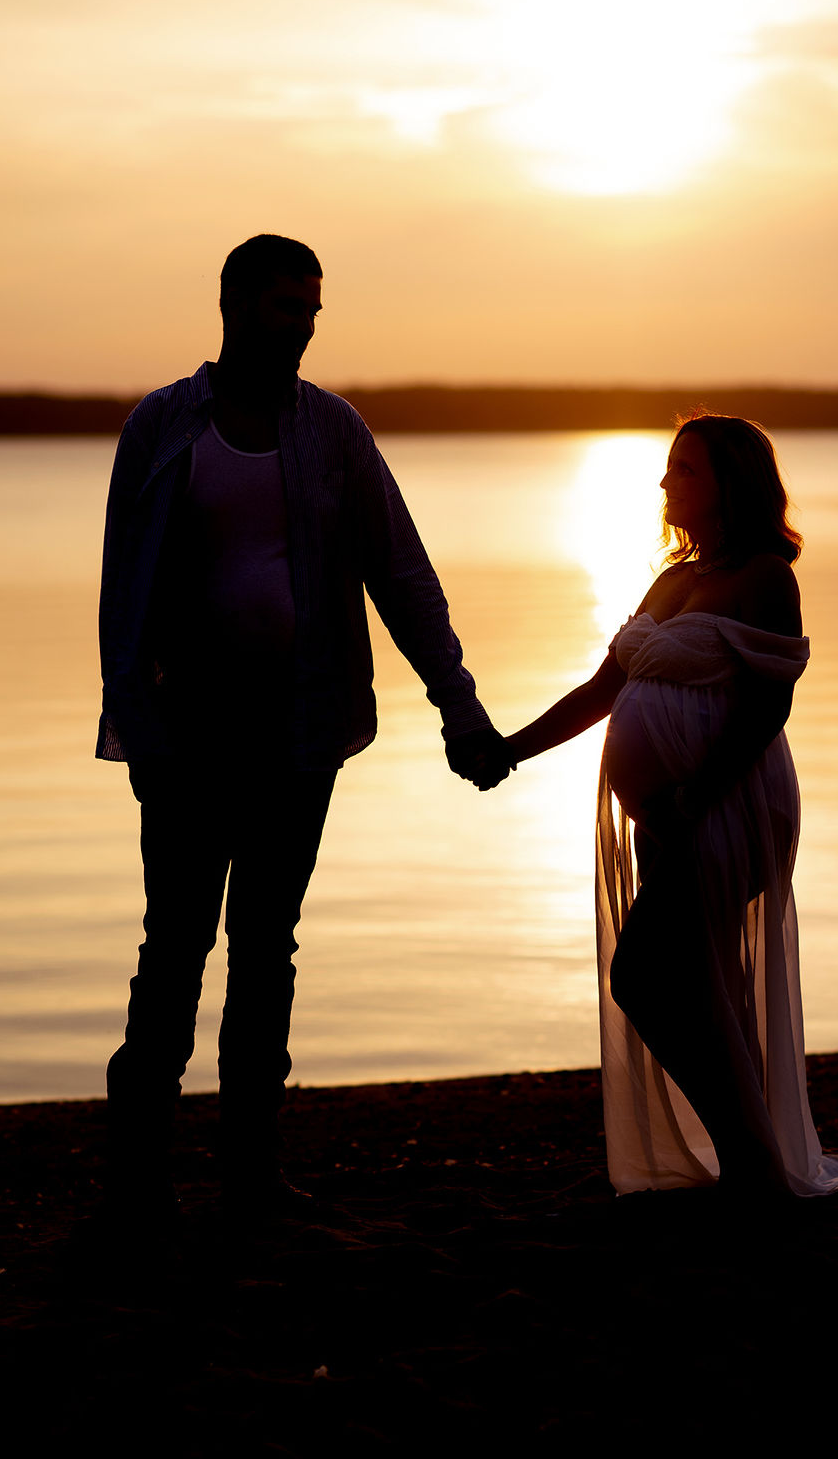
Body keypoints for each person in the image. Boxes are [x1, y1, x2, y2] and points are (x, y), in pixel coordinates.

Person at [97, 233, 513, 1225]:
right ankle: (139, 1187)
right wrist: (139, 733)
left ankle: (248, 1176)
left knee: (266, 949)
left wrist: (457, 703)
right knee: (174, 952)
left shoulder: (334, 433)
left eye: (313, 309)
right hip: (189, 739)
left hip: (300, 733)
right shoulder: (163, 427)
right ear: (236, 305)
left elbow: (401, 576)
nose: (305, 326)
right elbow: (124, 596)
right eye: (288, 307)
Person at [504, 413, 838, 1196]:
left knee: (648, 974)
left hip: (727, 804)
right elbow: (601, 692)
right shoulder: (673, 578)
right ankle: (751, 1160)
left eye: (683, 468)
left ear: (730, 484)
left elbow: (767, 706)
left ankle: (751, 1160)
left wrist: (693, 793)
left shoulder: (764, 577)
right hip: (671, 812)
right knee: (691, 978)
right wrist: (508, 750)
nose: (663, 482)